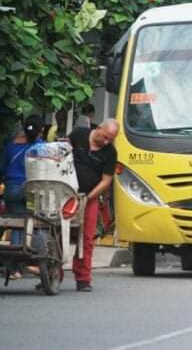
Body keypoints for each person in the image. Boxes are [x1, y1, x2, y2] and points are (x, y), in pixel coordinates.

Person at [68, 119, 119, 292]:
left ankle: (83, 278)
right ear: (98, 129)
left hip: (90, 197)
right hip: (66, 193)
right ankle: (52, 273)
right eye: (105, 137)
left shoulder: (110, 152)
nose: (106, 142)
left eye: (110, 140)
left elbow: (106, 180)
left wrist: (89, 197)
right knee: (57, 231)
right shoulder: (78, 135)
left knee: (87, 237)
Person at [1, 115, 45, 280]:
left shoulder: (11, 146)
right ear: (40, 131)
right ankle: (31, 261)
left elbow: (3, 168)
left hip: (12, 190)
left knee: (17, 224)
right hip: (32, 191)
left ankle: (14, 269)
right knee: (36, 222)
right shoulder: (41, 147)